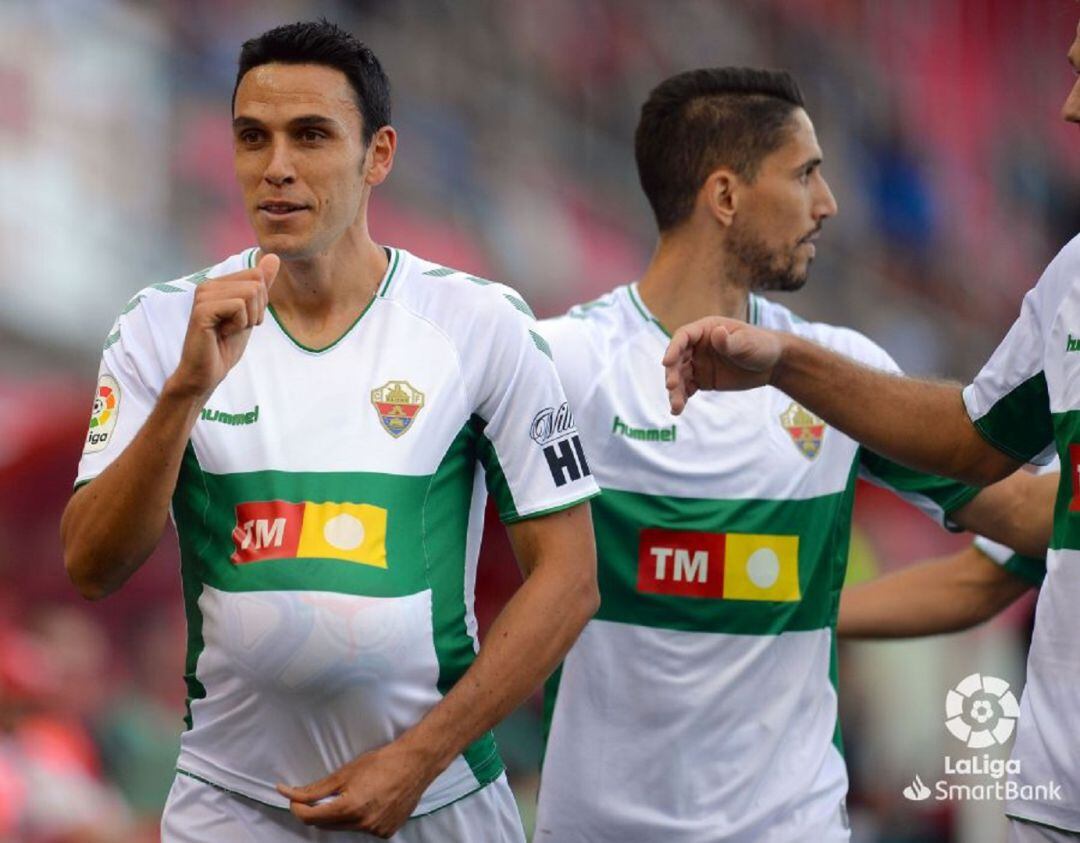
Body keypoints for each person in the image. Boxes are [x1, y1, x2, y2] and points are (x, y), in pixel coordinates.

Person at [59, 21, 600, 843]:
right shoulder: (163, 324)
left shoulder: (479, 324)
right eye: (252, 137)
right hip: (231, 801)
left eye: (310, 136)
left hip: (434, 798)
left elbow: (571, 579)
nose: (276, 166)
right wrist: (185, 394)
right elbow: (92, 566)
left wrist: (418, 757)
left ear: (377, 155)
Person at [534, 66, 1055, 843]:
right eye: (806, 173)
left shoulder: (836, 370)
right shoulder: (563, 364)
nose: (828, 203)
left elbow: (1024, 515)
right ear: (725, 196)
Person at [662, 21, 1080, 842]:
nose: (1067, 108)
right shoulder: (1072, 279)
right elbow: (975, 448)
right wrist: (791, 364)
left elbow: (1026, 520)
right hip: (1055, 789)